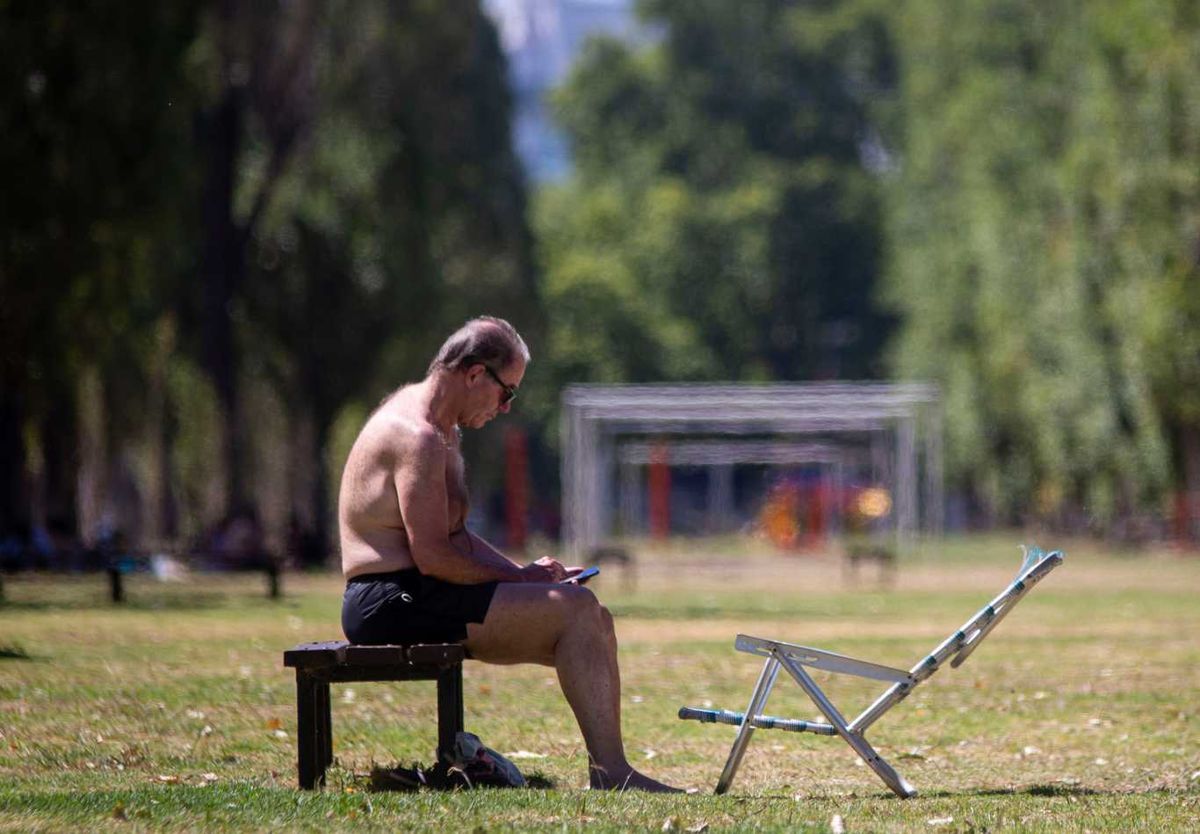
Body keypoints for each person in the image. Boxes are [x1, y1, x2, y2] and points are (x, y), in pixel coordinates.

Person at [338, 316, 679, 793]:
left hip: (420, 588)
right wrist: (523, 584)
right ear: (476, 374)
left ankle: (610, 770)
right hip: (389, 600)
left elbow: (454, 537)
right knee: (576, 611)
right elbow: (434, 556)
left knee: (594, 619)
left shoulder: (442, 429)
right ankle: (613, 775)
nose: (505, 408)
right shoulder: (416, 436)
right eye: (508, 393)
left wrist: (524, 574)